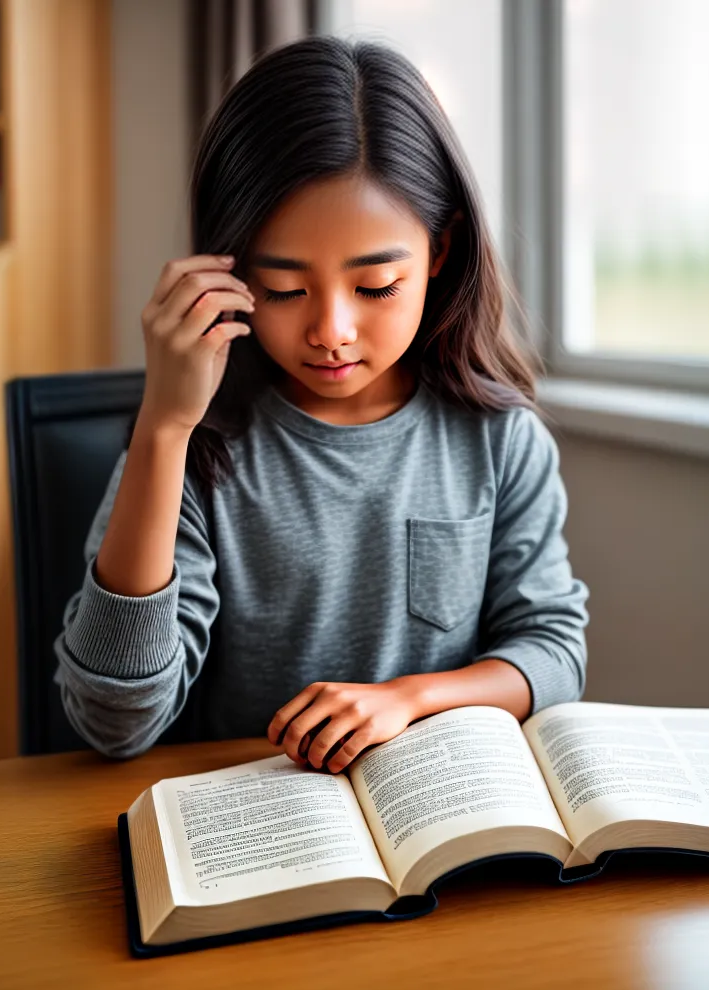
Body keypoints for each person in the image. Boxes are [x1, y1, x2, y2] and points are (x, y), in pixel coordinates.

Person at [54, 35, 590, 772]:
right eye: (283, 289)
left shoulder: (499, 439)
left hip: (433, 816)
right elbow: (112, 722)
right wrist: (164, 427)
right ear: (228, 270)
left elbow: (553, 651)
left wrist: (408, 698)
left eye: (375, 288)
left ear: (439, 252)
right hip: (251, 830)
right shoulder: (198, 450)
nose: (331, 332)